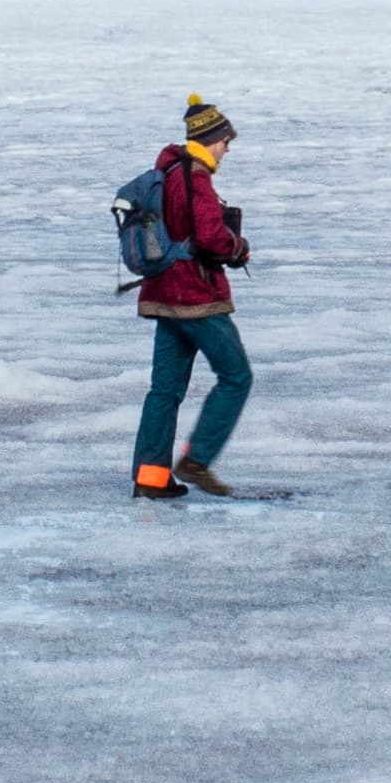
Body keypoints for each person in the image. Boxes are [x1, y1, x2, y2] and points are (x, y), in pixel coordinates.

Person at [132, 96, 254, 499]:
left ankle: (150, 480)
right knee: (236, 376)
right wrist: (238, 247)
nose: (228, 148)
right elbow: (209, 236)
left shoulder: (166, 171)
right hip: (195, 296)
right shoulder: (196, 177)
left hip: (164, 294)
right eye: (226, 140)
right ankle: (197, 459)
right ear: (211, 138)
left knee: (164, 391)